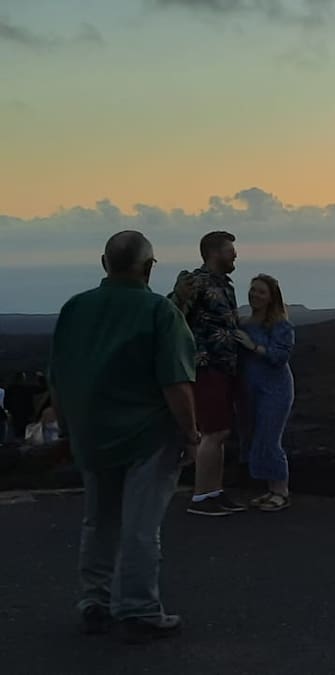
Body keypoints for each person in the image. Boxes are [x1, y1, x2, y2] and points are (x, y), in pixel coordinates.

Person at [49, 231, 199, 643]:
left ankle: (94, 603)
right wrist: (190, 432)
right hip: (148, 435)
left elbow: (58, 378)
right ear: (149, 266)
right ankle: (138, 609)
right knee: (139, 525)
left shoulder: (74, 309)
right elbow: (176, 382)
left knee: (99, 520)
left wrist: (66, 430)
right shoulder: (160, 312)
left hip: (91, 434)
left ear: (104, 263)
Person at [173, 231, 244, 517]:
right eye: (230, 250)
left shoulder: (224, 285)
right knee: (212, 432)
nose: (235, 255)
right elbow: (173, 312)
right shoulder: (197, 282)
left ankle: (215, 491)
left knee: (221, 431)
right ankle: (201, 497)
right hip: (206, 365)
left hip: (225, 366)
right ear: (215, 253)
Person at [234, 275, 296, 512]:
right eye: (253, 290)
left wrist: (253, 346)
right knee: (256, 437)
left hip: (275, 389)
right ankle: (270, 489)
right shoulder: (244, 323)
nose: (255, 295)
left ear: (272, 297)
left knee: (270, 438)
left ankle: (281, 491)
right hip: (250, 389)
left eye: (261, 292)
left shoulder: (281, 325)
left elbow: (280, 357)